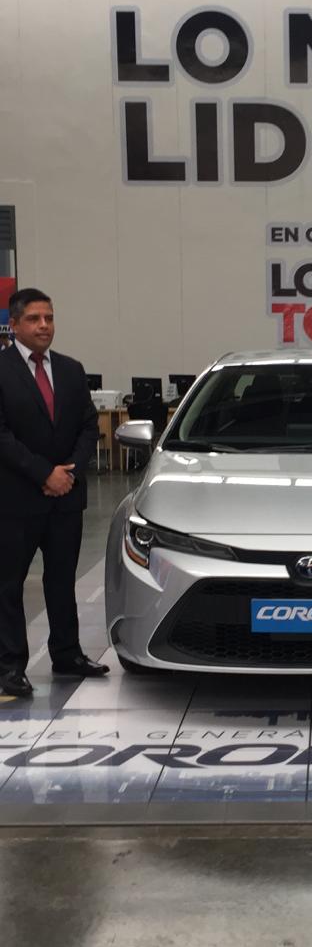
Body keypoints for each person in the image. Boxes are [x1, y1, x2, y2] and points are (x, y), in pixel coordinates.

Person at [0, 288, 110, 698]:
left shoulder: (70, 369)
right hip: (16, 499)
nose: (44, 325)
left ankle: (67, 654)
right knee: (8, 585)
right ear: (14, 325)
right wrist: (44, 472)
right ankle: (10, 666)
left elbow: (88, 426)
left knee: (62, 581)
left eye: (48, 317)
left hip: (65, 497)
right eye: (34, 319)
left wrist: (69, 472)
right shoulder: (2, 369)